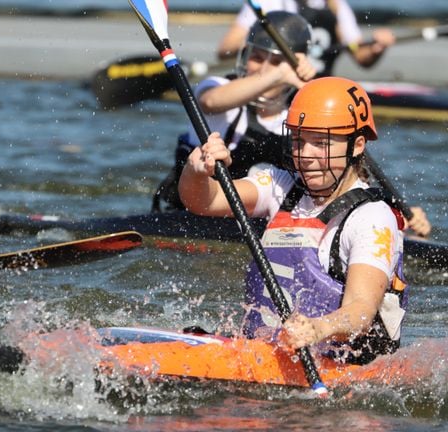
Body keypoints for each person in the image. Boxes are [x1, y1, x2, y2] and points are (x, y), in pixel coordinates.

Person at [178, 76, 408, 365]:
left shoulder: (372, 217)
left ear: (357, 144)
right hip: (268, 355)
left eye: (320, 143)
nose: (305, 156)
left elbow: (361, 311)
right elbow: (203, 201)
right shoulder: (280, 185)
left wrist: (317, 329)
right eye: (299, 141)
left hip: (345, 369)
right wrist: (196, 170)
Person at [153, 11, 316, 212]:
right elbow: (211, 101)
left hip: (254, 225)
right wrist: (279, 72)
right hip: (186, 217)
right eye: (256, 57)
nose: (263, 69)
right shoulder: (217, 87)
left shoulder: (301, 117)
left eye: (275, 61)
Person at [217, 0, 396, 77]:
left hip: (316, 93)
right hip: (276, 94)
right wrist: (266, 39)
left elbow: (360, 56)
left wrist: (375, 49)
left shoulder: (335, 5)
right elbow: (225, 50)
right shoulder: (269, 2)